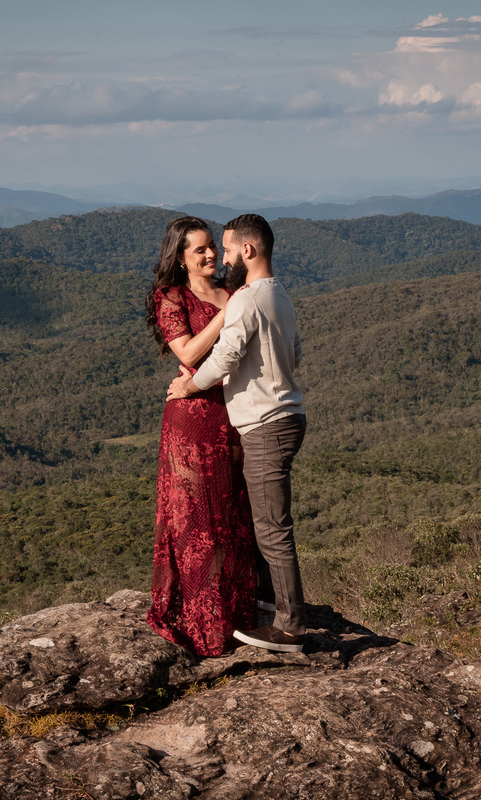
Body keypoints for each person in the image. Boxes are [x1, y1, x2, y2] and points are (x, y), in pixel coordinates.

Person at [167, 214, 308, 653]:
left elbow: (226, 355)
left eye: (227, 249)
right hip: (288, 415)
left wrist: (189, 384)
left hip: (266, 424)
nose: (222, 258)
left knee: (271, 528)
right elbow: (295, 351)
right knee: (266, 520)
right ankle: (271, 604)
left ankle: (288, 628)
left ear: (247, 251)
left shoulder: (246, 300)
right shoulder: (279, 294)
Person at [145, 215, 257, 656]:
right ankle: (201, 618)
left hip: (231, 414)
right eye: (200, 249)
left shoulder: (233, 291)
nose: (211, 254)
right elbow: (188, 351)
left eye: (212, 245)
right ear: (181, 258)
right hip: (190, 419)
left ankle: (236, 613)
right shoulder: (170, 297)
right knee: (196, 518)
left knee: (230, 513)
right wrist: (226, 313)